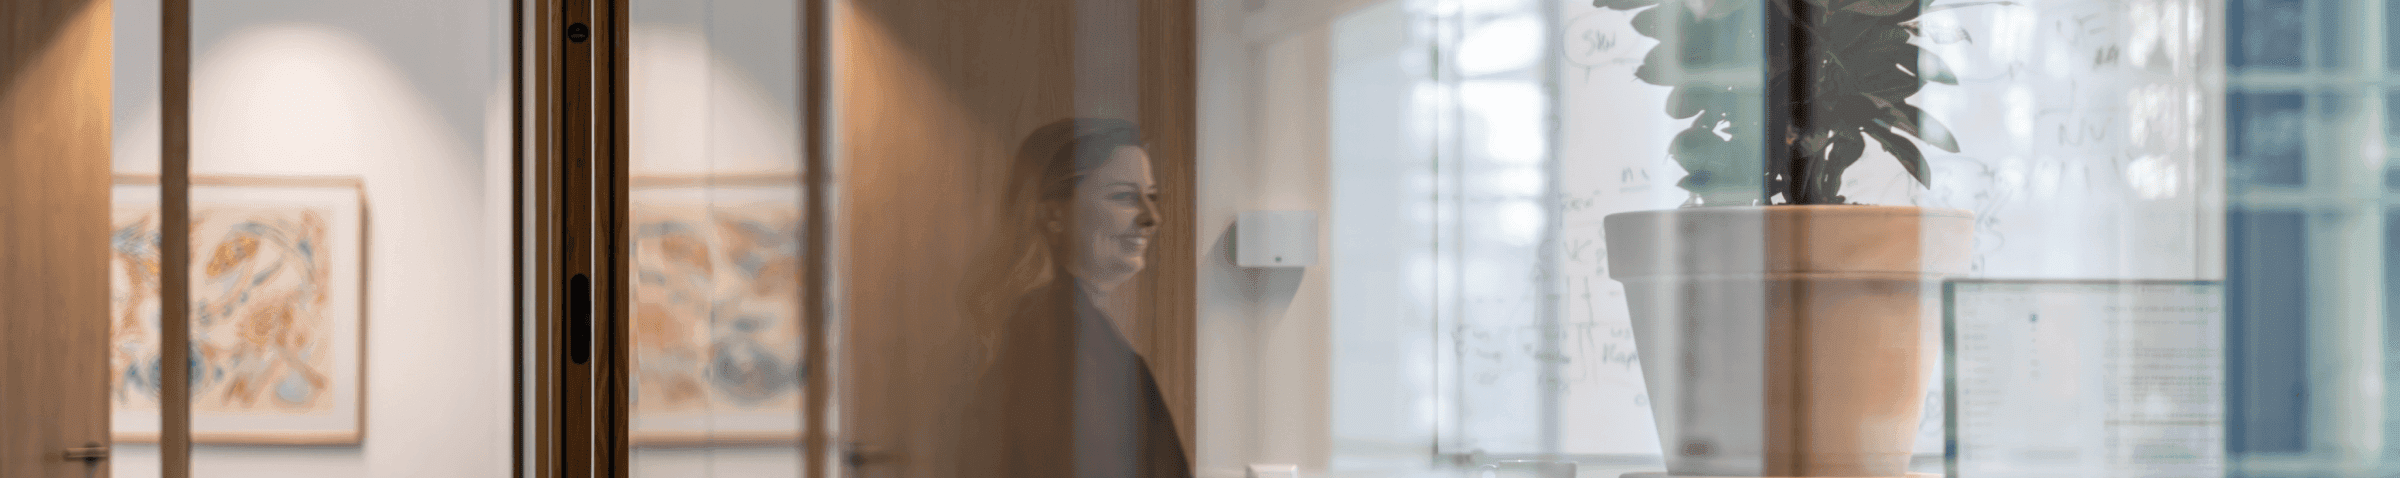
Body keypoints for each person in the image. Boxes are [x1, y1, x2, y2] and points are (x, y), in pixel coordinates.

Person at [960, 117, 1189, 477]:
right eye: (1125, 196)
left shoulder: (1072, 328)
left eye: (1153, 197)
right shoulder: (1058, 337)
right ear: (1053, 215)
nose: (1152, 218)